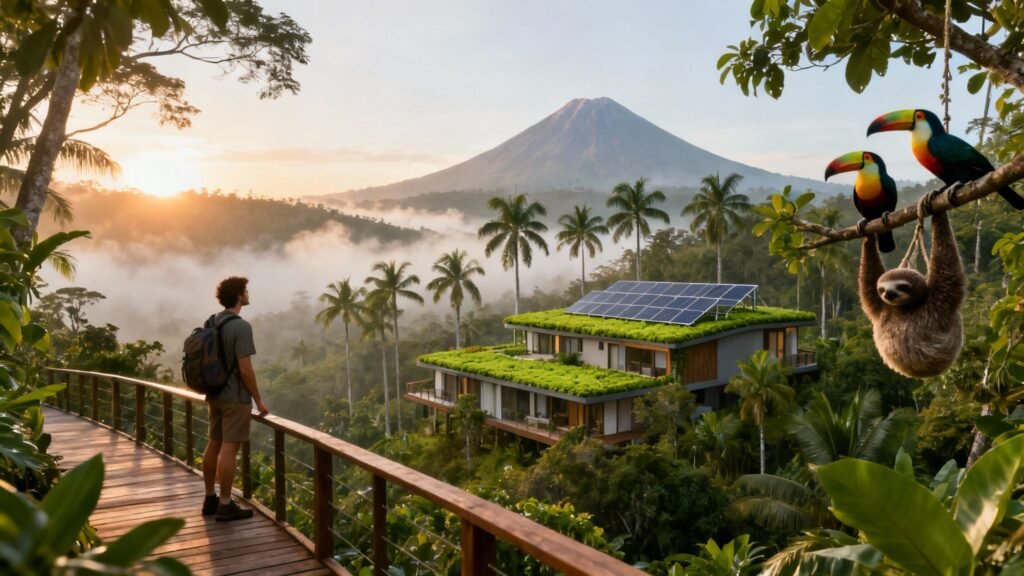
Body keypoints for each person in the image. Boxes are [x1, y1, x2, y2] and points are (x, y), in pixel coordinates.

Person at [201, 276, 270, 521]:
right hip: (234, 398)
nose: (248, 293)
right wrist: (258, 400)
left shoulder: (212, 321)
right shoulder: (241, 326)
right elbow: (245, 369)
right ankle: (226, 504)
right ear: (239, 295)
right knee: (230, 449)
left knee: (214, 443)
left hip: (214, 394)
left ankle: (210, 497)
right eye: (246, 290)